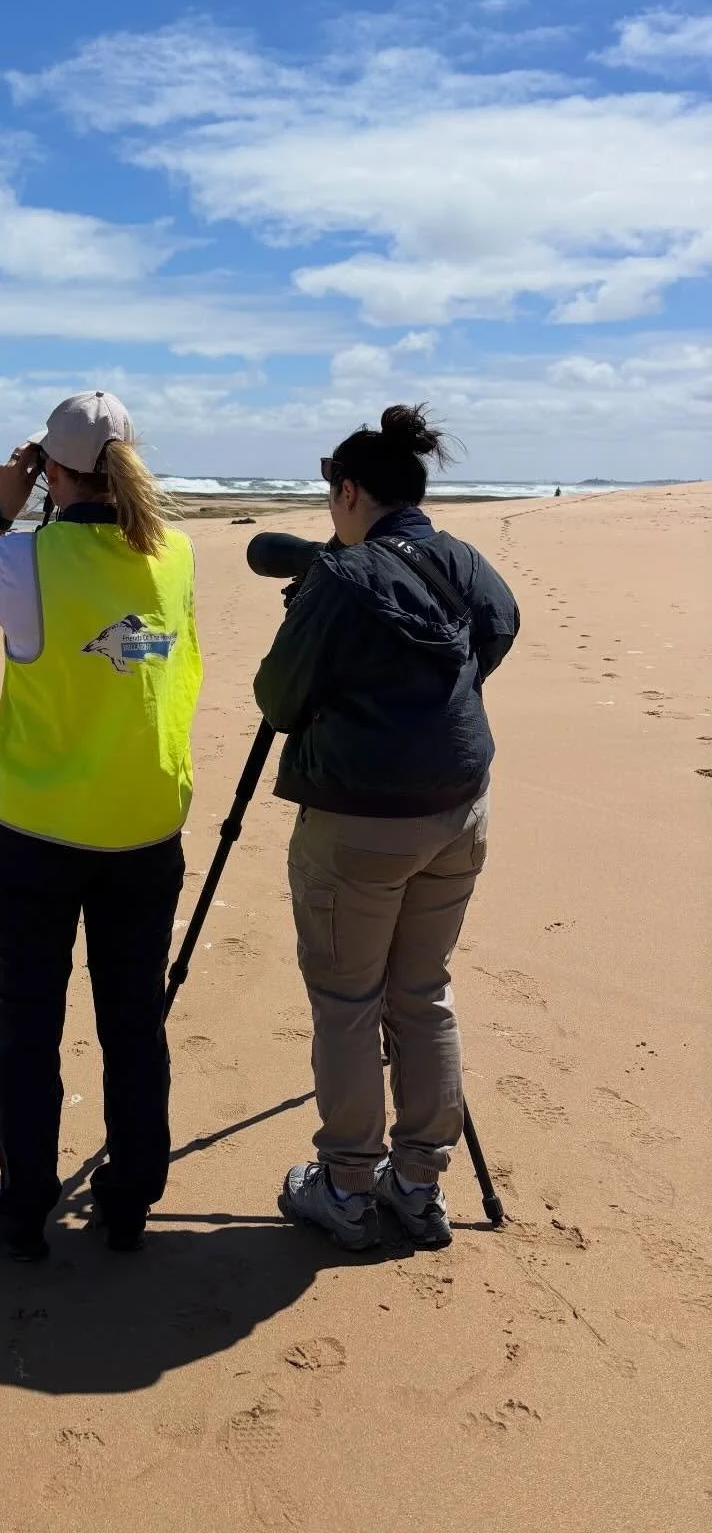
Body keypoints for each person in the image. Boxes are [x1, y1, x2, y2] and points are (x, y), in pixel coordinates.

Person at [0, 391, 203, 1260]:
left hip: (37, 830)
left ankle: (24, 1208)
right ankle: (130, 1200)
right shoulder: (177, 557)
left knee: (28, 1023)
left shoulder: (26, 560)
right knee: (133, 1021)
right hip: (144, 826)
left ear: (51, 470)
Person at [253, 405, 519, 1251]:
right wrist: (428, 697)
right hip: (458, 808)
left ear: (350, 491)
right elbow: (499, 628)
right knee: (424, 992)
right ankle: (418, 1181)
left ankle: (345, 1183)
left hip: (361, 822)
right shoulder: (463, 560)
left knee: (345, 1001)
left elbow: (279, 700)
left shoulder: (346, 576)